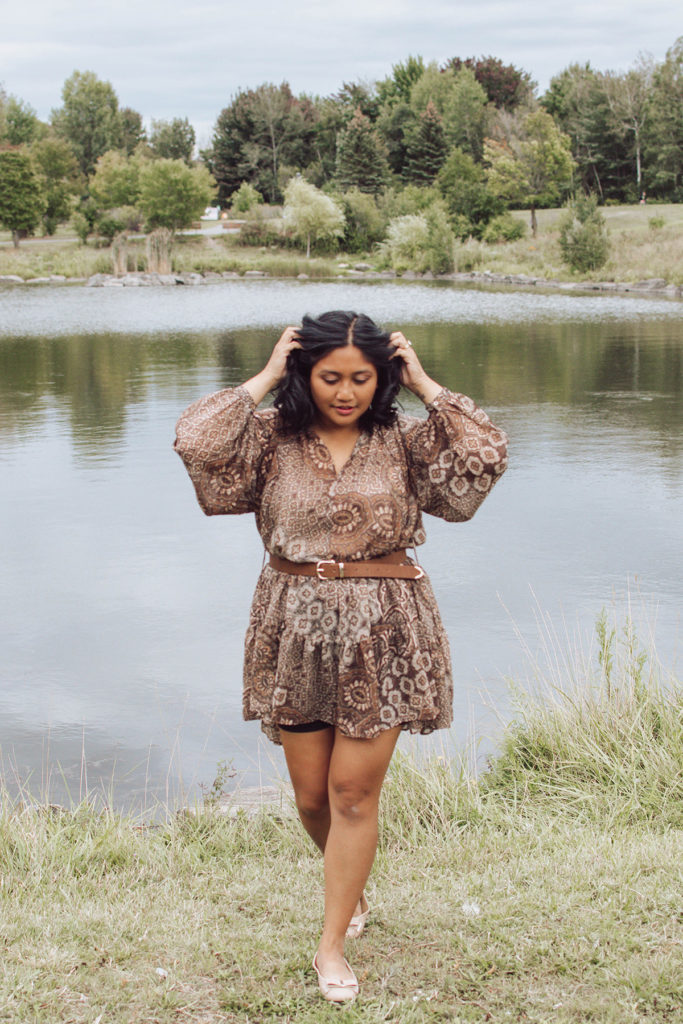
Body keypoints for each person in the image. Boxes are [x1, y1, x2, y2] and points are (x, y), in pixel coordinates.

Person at [173, 310, 508, 1003]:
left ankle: (330, 945)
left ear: (382, 377)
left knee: (353, 793)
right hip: (292, 623)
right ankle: (350, 888)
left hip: (383, 628)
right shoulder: (269, 441)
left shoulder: (404, 444)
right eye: (330, 377)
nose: (346, 391)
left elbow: (484, 454)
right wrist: (266, 375)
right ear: (306, 373)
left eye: (363, 377)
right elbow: (196, 441)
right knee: (309, 796)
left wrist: (423, 384)